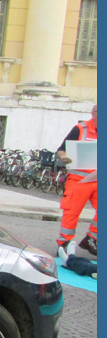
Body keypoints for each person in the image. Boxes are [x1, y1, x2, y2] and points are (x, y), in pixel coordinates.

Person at [55, 103, 97, 256]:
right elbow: (61, 150)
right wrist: (64, 157)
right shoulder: (80, 129)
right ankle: (64, 242)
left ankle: (92, 238)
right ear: (94, 113)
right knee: (72, 212)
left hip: (98, 178)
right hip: (79, 179)